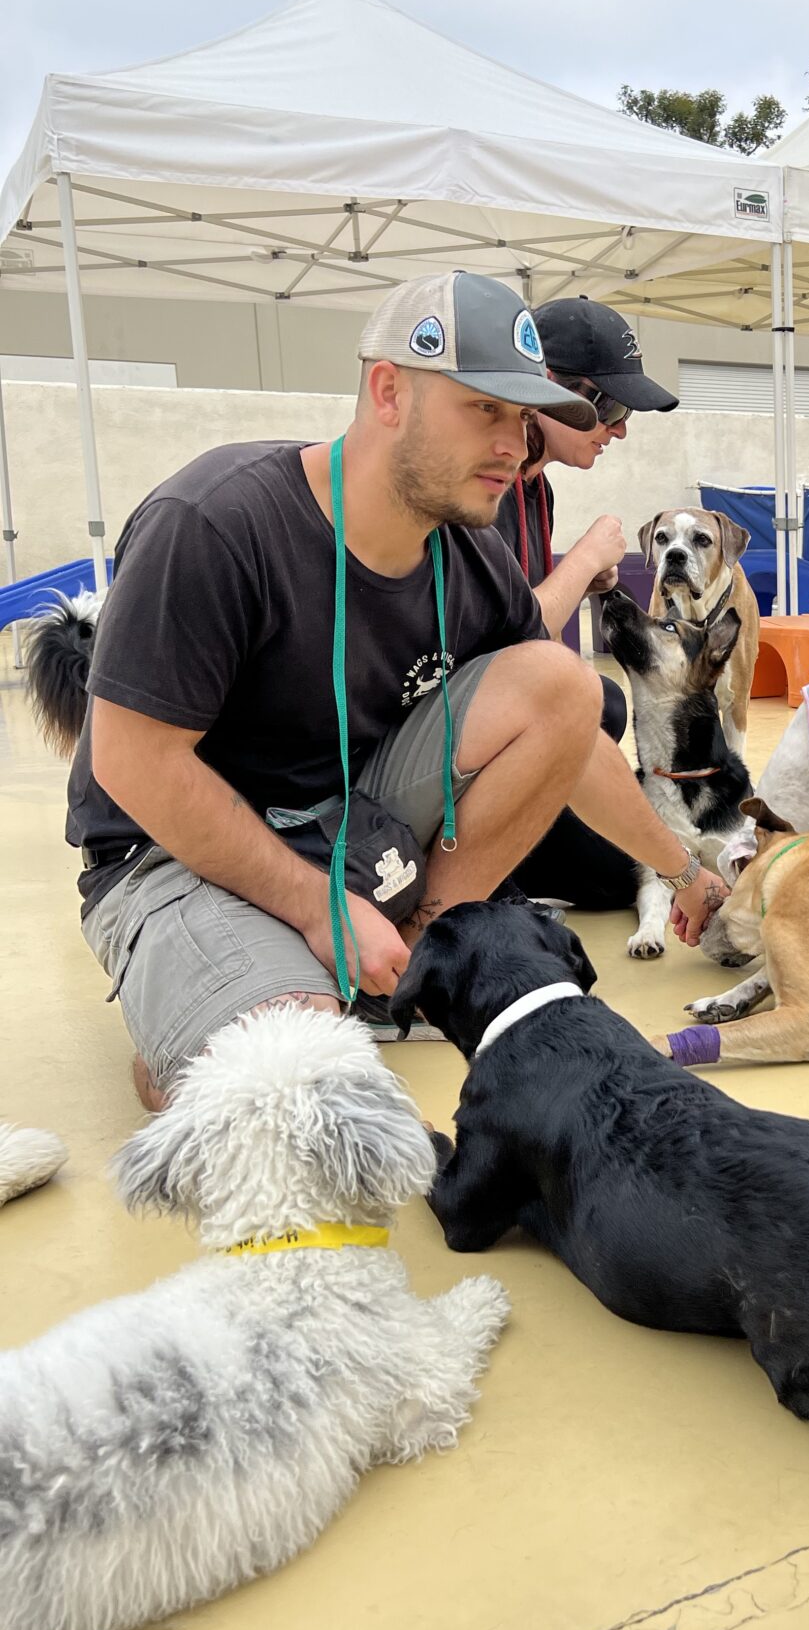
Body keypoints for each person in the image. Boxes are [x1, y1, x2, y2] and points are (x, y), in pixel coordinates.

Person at [66, 271, 725, 1111]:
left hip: (355, 824)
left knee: (566, 684)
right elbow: (132, 761)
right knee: (292, 1082)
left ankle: (409, 960)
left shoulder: (470, 558)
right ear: (388, 392)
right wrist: (317, 907)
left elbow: (569, 736)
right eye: (484, 408)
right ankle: (244, 1001)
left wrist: (684, 872)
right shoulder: (216, 522)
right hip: (174, 852)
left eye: (524, 418)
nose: (514, 446)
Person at [497, 297, 678, 911]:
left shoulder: (535, 487)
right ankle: (499, 865)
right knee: (592, 702)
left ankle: (536, 837)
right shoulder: (486, 489)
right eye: (612, 408)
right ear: (549, 388)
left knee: (603, 702)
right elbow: (508, 643)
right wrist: (579, 562)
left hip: (509, 725)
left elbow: (515, 601)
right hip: (469, 738)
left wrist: (575, 577)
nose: (619, 429)